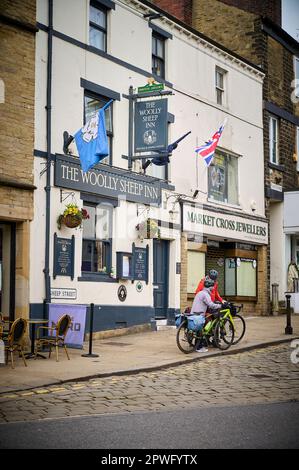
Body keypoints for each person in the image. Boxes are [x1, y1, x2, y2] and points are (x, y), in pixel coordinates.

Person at [190, 278, 222, 353]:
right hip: (199, 314)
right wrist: (219, 306)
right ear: (210, 287)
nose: (213, 288)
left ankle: (198, 344)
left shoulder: (200, 293)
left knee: (200, 328)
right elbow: (211, 305)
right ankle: (199, 347)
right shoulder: (206, 294)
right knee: (202, 328)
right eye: (212, 286)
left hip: (193, 313)